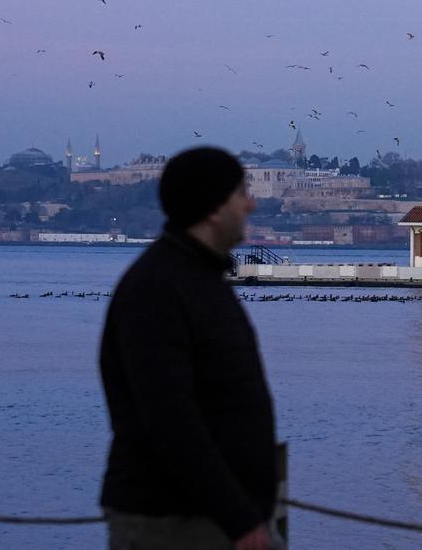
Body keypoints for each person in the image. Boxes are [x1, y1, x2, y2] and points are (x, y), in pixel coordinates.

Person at [99, 146, 282, 550]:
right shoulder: (158, 290)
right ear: (215, 207)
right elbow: (169, 421)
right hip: (177, 523)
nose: (251, 204)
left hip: (215, 519)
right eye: (241, 194)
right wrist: (239, 520)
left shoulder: (197, 280)